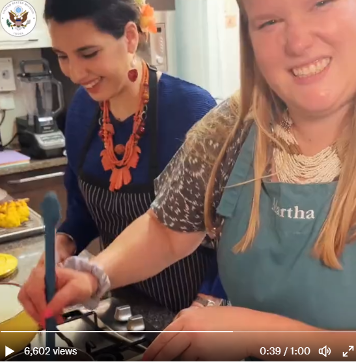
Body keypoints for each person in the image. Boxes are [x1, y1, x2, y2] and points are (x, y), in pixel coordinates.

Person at [19, 0, 356, 360]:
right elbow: (166, 230)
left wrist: (252, 333)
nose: (298, 42)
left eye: (320, 3)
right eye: (269, 21)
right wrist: (92, 274)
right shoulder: (232, 127)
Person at [35, 0, 227, 315]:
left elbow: (231, 233)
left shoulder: (190, 109)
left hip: (194, 305)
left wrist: (208, 303)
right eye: (62, 57)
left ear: (130, 37)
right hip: (123, 301)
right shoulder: (82, 111)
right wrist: (63, 242)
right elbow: (83, 211)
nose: (74, 73)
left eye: (88, 53)